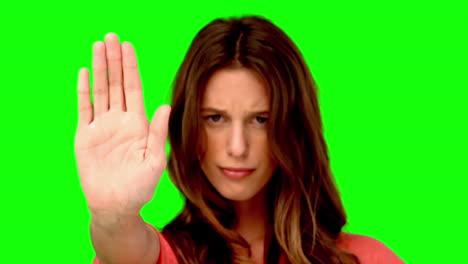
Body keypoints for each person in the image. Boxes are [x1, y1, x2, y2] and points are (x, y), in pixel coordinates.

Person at [75, 15, 405, 264]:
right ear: (190, 125)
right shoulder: (167, 255)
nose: (237, 147)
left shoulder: (365, 257)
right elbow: (123, 247)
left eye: (261, 120)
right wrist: (112, 215)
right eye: (215, 118)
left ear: (293, 128)